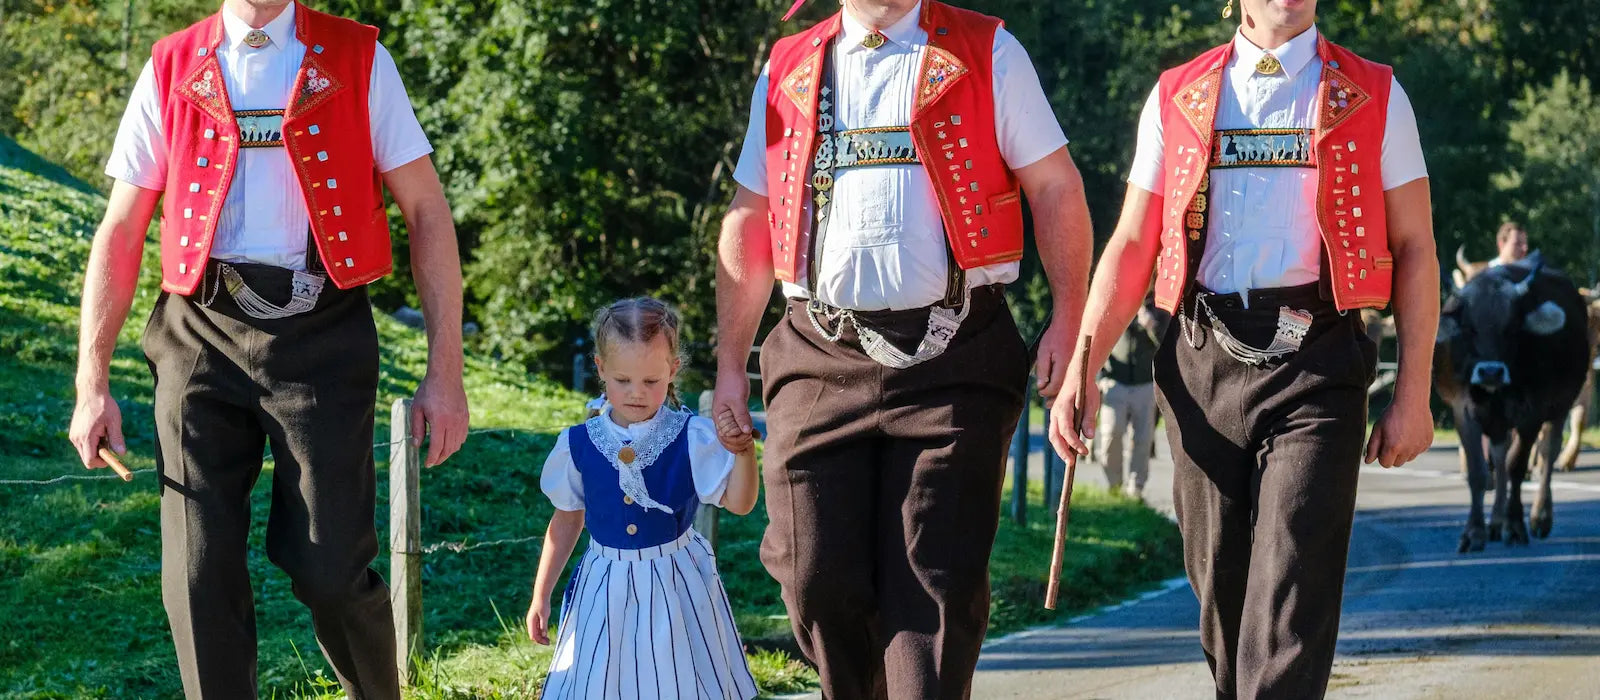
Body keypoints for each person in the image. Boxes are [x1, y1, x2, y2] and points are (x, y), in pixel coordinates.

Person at [66, 0, 469, 696]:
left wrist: (446, 373)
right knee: (194, 574)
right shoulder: (170, 64)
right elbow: (123, 228)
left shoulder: (359, 57)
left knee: (331, 569)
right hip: (196, 331)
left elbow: (427, 210)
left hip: (324, 331)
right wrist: (90, 382)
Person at [1050, 0, 1438, 697]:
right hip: (1200, 361)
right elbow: (1135, 243)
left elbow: (1415, 248)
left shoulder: (1377, 92)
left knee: (1291, 589)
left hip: (1318, 360)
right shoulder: (1178, 92)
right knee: (1223, 599)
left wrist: (1413, 394)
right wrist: (1082, 365)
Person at [712, 0, 1093, 696]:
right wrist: (732, 366)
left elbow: (1056, 188)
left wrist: (1068, 322)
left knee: (932, 581)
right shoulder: (789, 64)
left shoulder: (989, 52)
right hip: (817, 349)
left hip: (958, 355)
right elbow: (751, 214)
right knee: (812, 570)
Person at [525, 297, 760, 700]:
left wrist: (743, 452)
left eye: (651, 381)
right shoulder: (578, 444)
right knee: (600, 682)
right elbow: (566, 519)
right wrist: (540, 594)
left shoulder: (691, 435)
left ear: (673, 370)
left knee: (677, 682)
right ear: (600, 369)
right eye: (622, 380)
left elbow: (740, 504)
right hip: (605, 584)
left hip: (676, 584)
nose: (636, 393)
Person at [1095, 293, 1168, 500]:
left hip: (1145, 383)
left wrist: (1151, 326)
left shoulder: (1160, 306)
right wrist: (1099, 375)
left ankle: (1135, 490)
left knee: (1142, 440)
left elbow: (1168, 344)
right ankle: (1114, 487)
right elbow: (1099, 335)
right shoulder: (1115, 301)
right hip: (1114, 381)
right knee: (1111, 435)